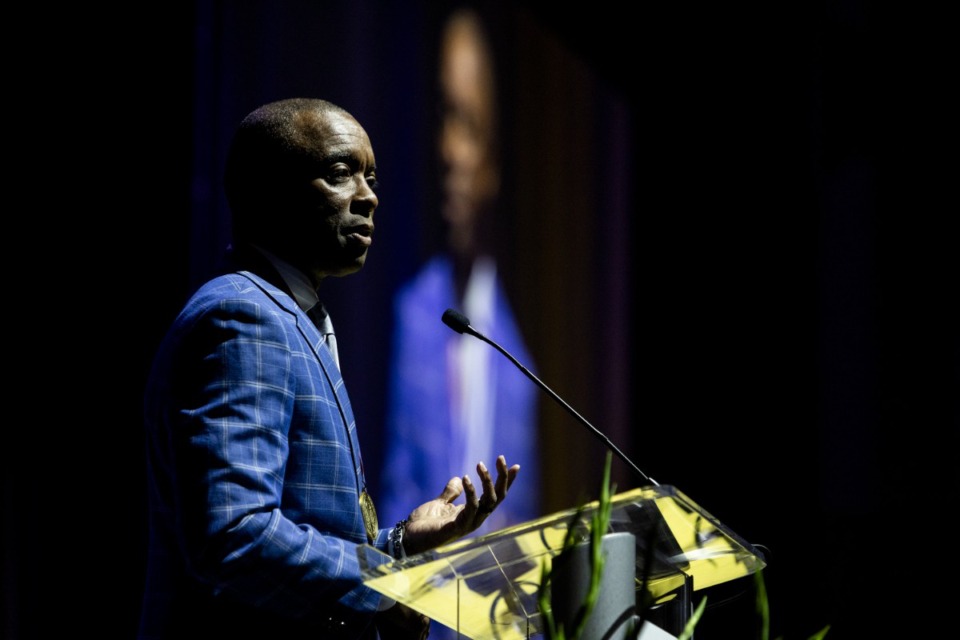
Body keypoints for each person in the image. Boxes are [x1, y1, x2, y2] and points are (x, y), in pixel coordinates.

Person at [139, 97, 520, 640]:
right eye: (341, 174)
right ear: (268, 189)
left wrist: (399, 544)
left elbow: (300, 526)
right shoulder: (242, 316)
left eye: (372, 177)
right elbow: (235, 534)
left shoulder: (288, 315)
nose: (369, 197)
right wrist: (384, 583)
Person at [380, 8, 540, 540]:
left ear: (494, 156)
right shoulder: (411, 311)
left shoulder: (521, 343)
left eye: (467, 124)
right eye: (442, 119)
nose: (450, 151)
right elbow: (391, 490)